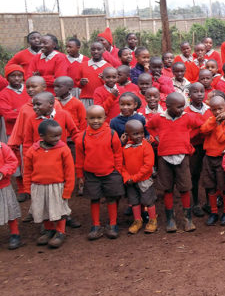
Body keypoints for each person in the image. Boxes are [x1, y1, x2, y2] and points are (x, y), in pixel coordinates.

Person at [146, 92, 203, 233]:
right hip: (164, 157)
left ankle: (187, 219)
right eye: (178, 107)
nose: (181, 109)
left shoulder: (187, 117)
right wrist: (157, 138)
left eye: (183, 106)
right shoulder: (158, 118)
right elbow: (149, 127)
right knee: (167, 188)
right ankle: (170, 219)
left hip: (182, 156)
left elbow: (199, 125)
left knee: (184, 187)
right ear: (168, 106)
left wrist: (187, 137)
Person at [23, 119, 75, 249]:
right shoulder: (33, 150)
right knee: (43, 209)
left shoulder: (64, 149)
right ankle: (49, 230)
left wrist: (68, 190)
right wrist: (28, 188)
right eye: (53, 136)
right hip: (38, 186)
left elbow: (69, 171)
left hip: (57, 187)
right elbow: (27, 170)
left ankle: (60, 232)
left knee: (59, 210)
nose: (58, 138)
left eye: (59, 135)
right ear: (42, 136)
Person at [76, 105, 123, 240]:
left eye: (99, 118)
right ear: (86, 119)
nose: (95, 121)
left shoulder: (112, 134)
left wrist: (118, 170)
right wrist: (80, 176)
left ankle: (113, 224)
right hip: (91, 174)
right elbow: (79, 159)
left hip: (110, 172)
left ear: (104, 118)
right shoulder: (82, 137)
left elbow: (118, 153)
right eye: (92, 118)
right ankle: (96, 225)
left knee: (111, 198)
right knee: (94, 198)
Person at [200, 96, 225, 227]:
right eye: (214, 110)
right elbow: (203, 130)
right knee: (210, 186)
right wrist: (215, 121)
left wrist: (219, 124)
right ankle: (214, 212)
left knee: (224, 187)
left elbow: (221, 138)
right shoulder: (211, 119)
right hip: (209, 157)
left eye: (220, 109)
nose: (217, 112)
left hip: (222, 157)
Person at [120, 119, 157, 234]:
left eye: (141, 132)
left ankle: (152, 220)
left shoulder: (146, 146)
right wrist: (127, 177)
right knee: (134, 201)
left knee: (148, 200)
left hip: (143, 180)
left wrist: (134, 178)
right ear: (127, 135)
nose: (140, 136)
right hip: (130, 181)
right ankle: (137, 220)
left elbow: (148, 165)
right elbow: (121, 164)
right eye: (135, 134)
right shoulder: (125, 147)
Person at [0, 141, 21, 249]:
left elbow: (13, 162)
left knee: (10, 210)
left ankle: (15, 234)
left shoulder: (2, 147)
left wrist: (2, 172)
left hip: (3, 186)